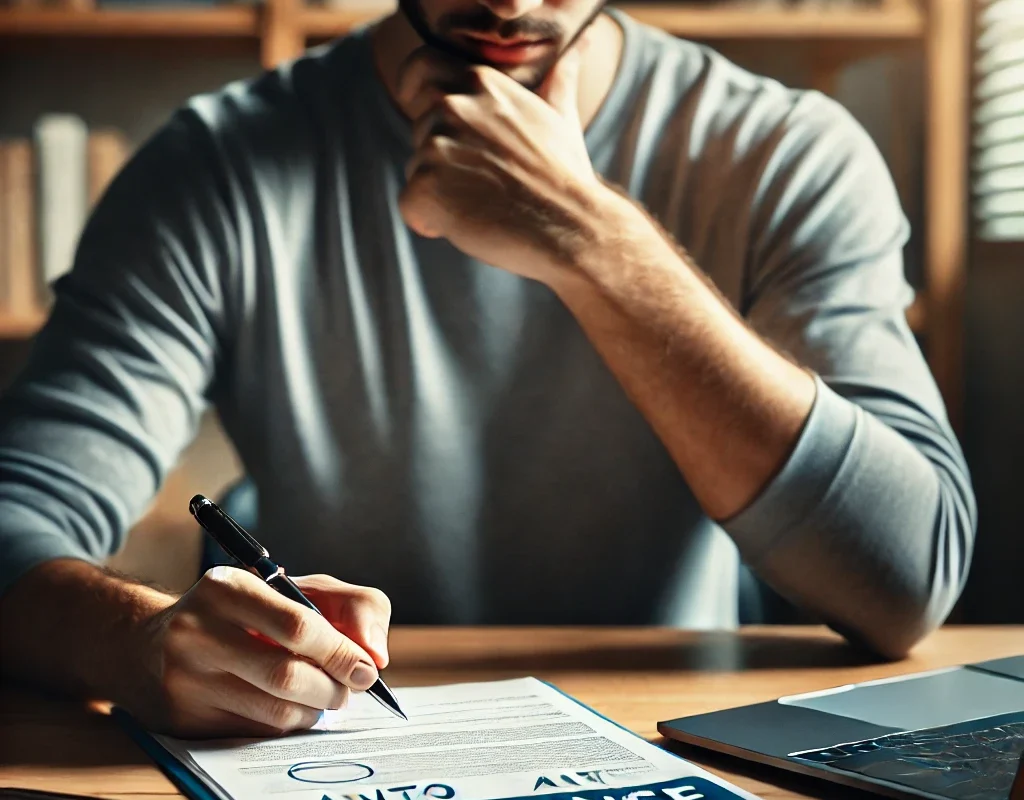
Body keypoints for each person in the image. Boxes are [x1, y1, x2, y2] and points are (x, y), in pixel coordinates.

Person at [0, 0, 974, 740]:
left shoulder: (784, 151)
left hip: (679, 744)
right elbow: (16, 521)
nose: (509, 3)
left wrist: (586, 239)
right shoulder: (213, 168)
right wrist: (136, 639)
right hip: (330, 745)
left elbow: (904, 579)